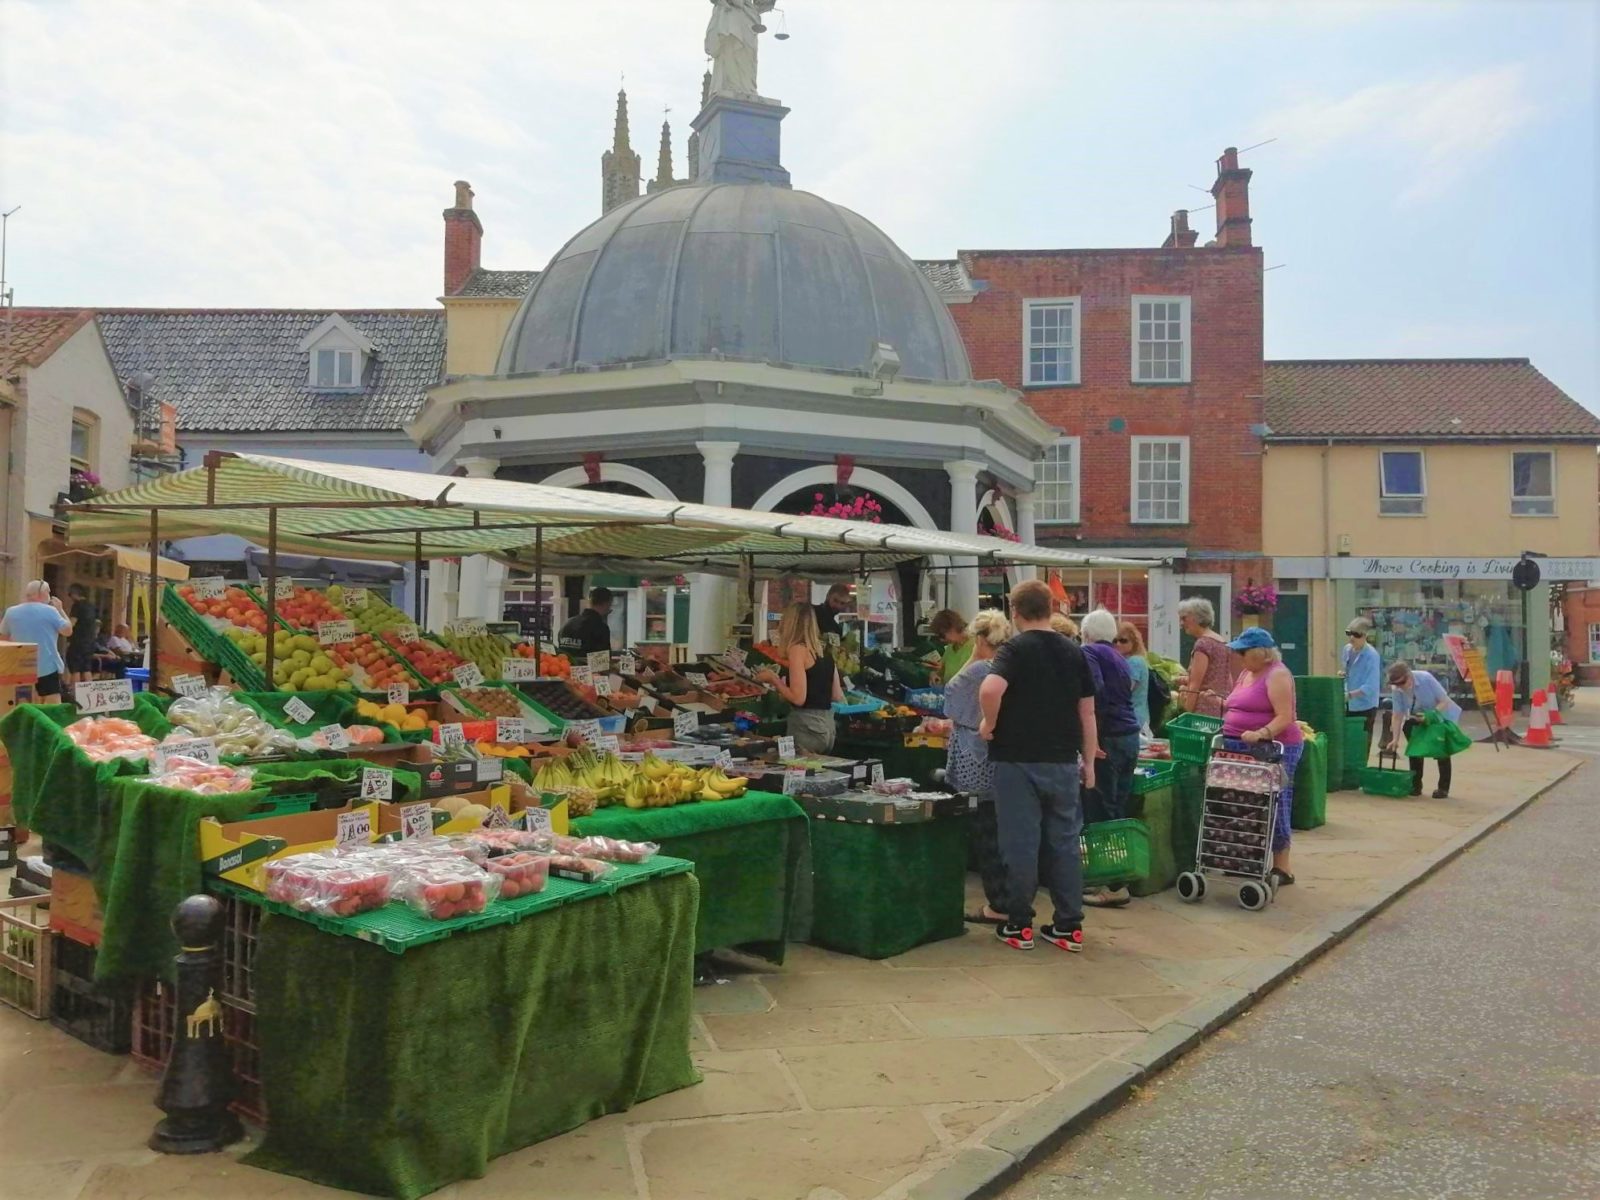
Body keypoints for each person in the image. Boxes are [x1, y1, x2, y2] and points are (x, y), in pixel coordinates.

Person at [978, 579, 1099, 953]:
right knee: (1064, 842)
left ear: (1015, 611)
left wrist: (989, 724)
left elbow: (989, 690)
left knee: (1021, 843)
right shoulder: (1074, 651)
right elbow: (1088, 712)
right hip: (1063, 759)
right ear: (1052, 609)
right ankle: (1069, 927)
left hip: (1017, 759)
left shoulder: (1014, 649)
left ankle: (1019, 925)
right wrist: (1090, 761)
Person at [943, 610, 1013, 925]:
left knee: (987, 834)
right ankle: (1009, 898)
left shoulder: (980, 669)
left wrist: (973, 655)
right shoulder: (1009, 667)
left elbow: (950, 697)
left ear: (981, 639)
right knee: (1003, 832)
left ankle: (998, 903)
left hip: (976, 757)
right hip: (1003, 756)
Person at [1220, 627, 1304, 887]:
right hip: (1238, 745)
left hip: (1274, 748)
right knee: (1244, 804)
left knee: (1276, 803)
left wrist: (1262, 733)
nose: (1239, 656)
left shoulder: (1277, 674)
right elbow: (1238, 702)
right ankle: (1244, 859)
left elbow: (1285, 716)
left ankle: (1282, 867)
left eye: (1243, 652)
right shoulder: (1247, 672)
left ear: (1260, 653)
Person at [1078, 609, 1141, 908]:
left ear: (1086, 632)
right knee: (1117, 806)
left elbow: (1094, 694)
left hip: (1110, 738)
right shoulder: (1117, 655)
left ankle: (1111, 883)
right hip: (1129, 735)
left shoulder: (1089, 652)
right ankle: (1118, 879)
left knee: (1102, 810)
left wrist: (1093, 740)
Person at [755, 602, 843, 753]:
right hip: (828, 728)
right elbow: (837, 695)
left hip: (807, 727)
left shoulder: (797, 650)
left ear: (790, 623)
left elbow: (798, 698)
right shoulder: (824, 653)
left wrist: (773, 679)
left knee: (797, 774)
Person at [1384, 661, 1461, 798]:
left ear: (1409, 675)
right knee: (1415, 750)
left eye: (1403, 683)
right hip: (1417, 717)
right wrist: (1395, 739)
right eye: (1396, 685)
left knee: (1441, 752)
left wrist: (1430, 715)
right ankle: (1415, 785)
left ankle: (1443, 788)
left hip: (1439, 716)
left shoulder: (1425, 678)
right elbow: (1397, 715)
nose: (1401, 687)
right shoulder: (1397, 689)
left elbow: (1444, 701)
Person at [0, 580, 73, 702]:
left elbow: (3, 638)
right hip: (47, 665)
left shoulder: (11, 612)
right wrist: (60, 609)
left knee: (25, 701)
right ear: (42, 593)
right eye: (49, 592)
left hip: (20, 666)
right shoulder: (51, 611)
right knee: (52, 703)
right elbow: (67, 631)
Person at [1177, 597, 1233, 717]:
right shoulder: (1222, 642)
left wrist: (1185, 714)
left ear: (1196, 617)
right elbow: (1225, 679)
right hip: (1221, 709)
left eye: (1184, 618)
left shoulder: (1203, 643)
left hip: (1203, 710)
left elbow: (1195, 686)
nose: (1181, 624)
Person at [1341, 617, 1381, 764]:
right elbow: (1346, 673)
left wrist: (1350, 695)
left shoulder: (1372, 656)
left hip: (1365, 705)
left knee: (1363, 741)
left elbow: (1371, 686)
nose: (1352, 638)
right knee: (1348, 739)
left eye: (1356, 635)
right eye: (1349, 633)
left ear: (1365, 636)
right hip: (1348, 703)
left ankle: (1360, 768)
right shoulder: (1347, 650)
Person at [1115, 621, 1153, 734]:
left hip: (1134, 719)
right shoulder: (1127, 660)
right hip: (1137, 718)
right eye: (1115, 640)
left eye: (1123, 641)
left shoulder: (1134, 661)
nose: (1118, 644)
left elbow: (1125, 689)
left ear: (1134, 642)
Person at [557, 587, 614, 657]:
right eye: (610, 605)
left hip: (565, 667)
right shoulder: (600, 628)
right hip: (588, 667)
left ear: (590, 601)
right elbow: (603, 661)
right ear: (607, 604)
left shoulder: (567, 624)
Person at [64, 583, 99, 687]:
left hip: (77, 642)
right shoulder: (91, 606)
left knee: (75, 669)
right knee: (87, 668)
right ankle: (90, 692)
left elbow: (72, 623)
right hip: (90, 642)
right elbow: (97, 625)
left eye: (70, 595)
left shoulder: (77, 606)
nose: (70, 598)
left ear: (74, 594)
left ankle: (75, 694)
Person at [928, 609, 973, 683]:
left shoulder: (976, 645)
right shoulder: (950, 647)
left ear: (952, 628)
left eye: (942, 635)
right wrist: (934, 674)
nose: (941, 640)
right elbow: (941, 670)